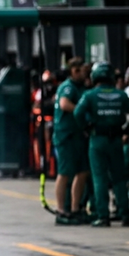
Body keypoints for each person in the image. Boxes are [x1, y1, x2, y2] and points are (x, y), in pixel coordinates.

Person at [74, 62, 129, 227]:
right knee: (119, 178)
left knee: (99, 178)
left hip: (97, 139)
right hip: (116, 139)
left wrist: (86, 128)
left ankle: (103, 215)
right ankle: (125, 214)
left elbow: (78, 113)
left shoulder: (90, 95)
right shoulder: (121, 95)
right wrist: (125, 130)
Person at [52, 58, 91, 225]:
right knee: (64, 173)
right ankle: (61, 210)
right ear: (74, 71)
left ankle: (75, 209)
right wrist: (81, 110)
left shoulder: (81, 87)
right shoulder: (68, 87)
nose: (85, 74)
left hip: (78, 135)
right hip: (66, 136)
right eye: (82, 71)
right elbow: (64, 104)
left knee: (82, 172)